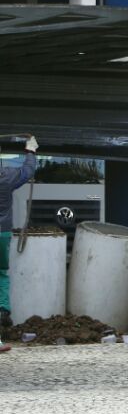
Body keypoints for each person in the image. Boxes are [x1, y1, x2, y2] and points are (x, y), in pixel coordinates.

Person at [0, 134, 38, 353]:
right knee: (2, 274)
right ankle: (3, 309)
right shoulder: (6, 176)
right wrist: (30, 151)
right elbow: (27, 171)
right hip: (3, 233)